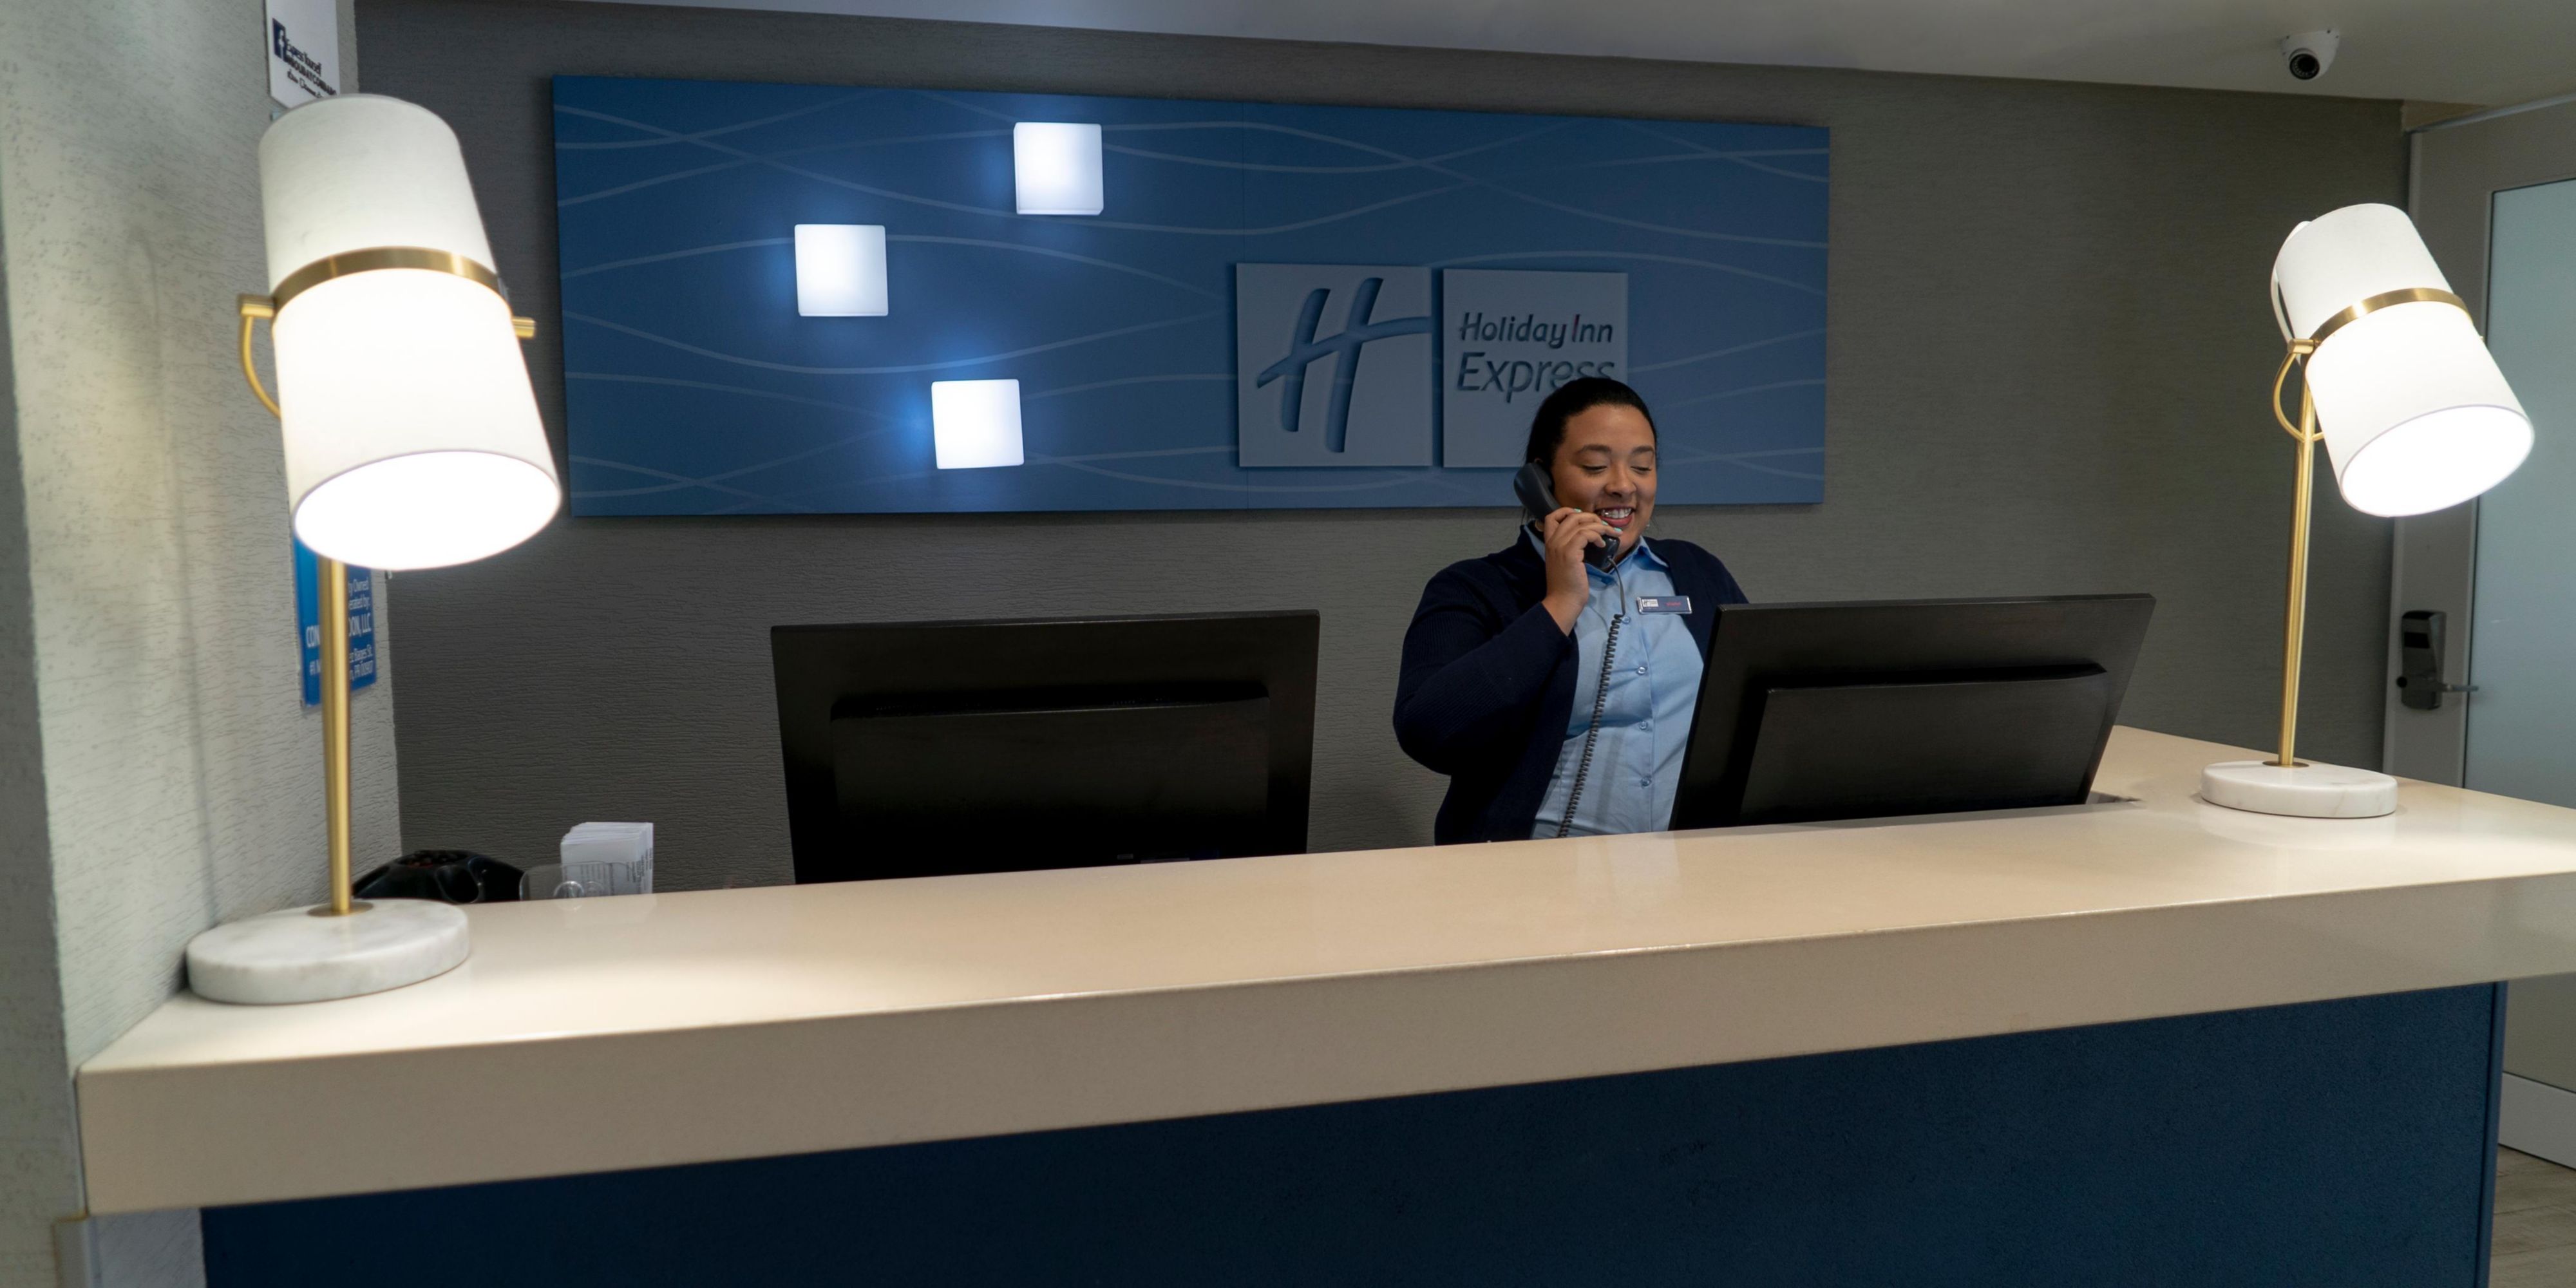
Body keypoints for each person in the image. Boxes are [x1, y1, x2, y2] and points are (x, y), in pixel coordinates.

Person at [1394, 378, 1748, 843]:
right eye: (1595, 466)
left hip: (1692, 864)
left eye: (1642, 466)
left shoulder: (1698, 572)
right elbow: (1429, 732)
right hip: (1531, 869)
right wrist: (1559, 604)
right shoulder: (1475, 588)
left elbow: (1755, 709)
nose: (1623, 486)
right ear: (1541, 480)